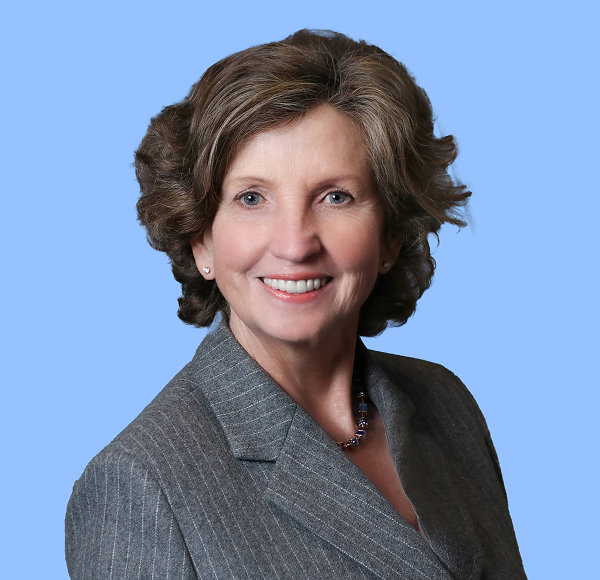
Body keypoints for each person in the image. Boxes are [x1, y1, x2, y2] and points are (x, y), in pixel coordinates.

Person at [65, 30, 527, 579]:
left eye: (336, 197)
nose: (294, 244)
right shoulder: (140, 485)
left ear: (390, 235)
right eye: (251, 198)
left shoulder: (445, 402)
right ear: (201, 240)